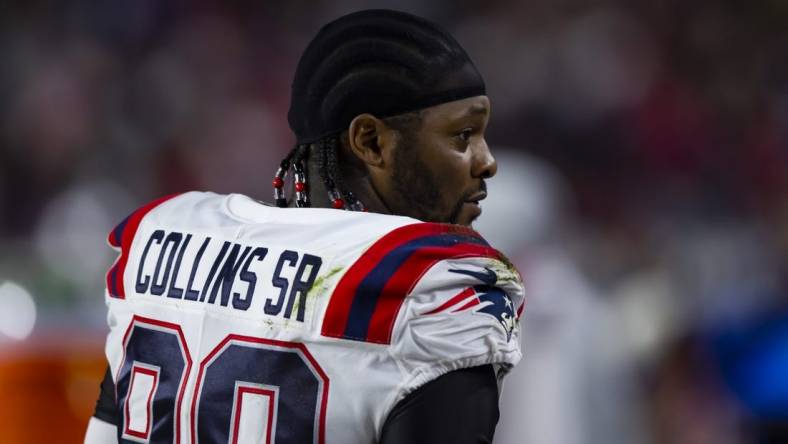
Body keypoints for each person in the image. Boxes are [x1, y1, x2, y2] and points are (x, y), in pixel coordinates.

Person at [84, 9, 524, 444]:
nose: (487, 162)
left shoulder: (161, 238)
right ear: (370, 141)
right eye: (462, 135)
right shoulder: (430, 287)